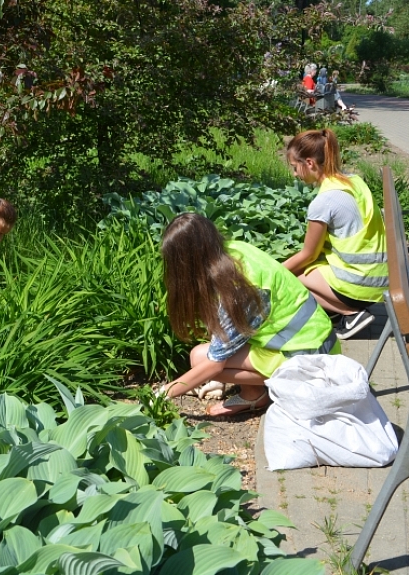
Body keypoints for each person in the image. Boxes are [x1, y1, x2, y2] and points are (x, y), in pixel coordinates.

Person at [161, 213, 338, 417]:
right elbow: (225, 332)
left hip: (313, 360)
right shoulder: (233, 252)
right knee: (202, 357)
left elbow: (215, 362)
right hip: (316, 341)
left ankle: (256, 395)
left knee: (201, 359)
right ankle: (252, 394)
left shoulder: (239, 287)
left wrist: (162, 394)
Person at [284, 129, 387, 340]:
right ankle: (335, 310)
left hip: (360, 285)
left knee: (291, 277)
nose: (295, 174)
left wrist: (273, 271)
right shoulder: (353, 181)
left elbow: (308, 255)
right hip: (381, 278)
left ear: (310, 163)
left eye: (295, 167)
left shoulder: (324, 202)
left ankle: (351, 314)